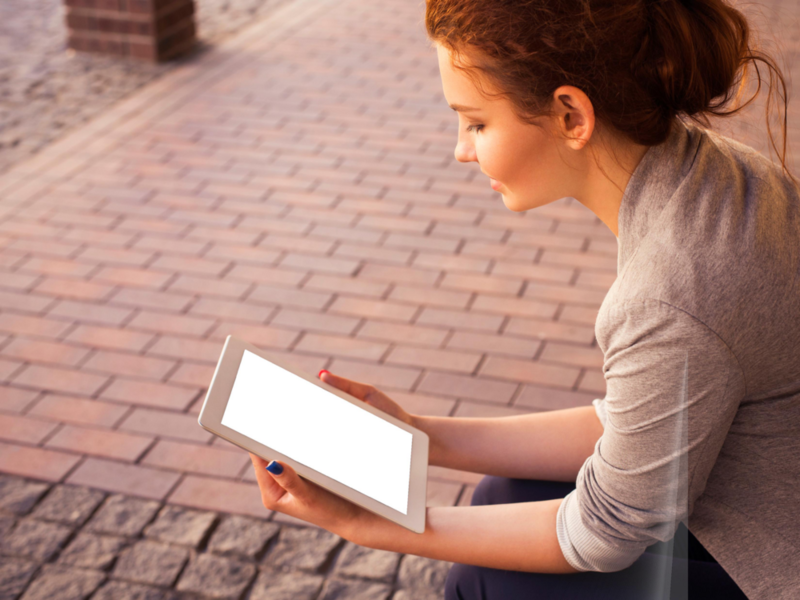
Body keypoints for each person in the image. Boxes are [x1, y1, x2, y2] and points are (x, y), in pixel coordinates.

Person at [247, 1, 800, 598]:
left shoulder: (670, 295)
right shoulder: (713, 173)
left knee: (484, 585)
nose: (462, 149)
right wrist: (418, 435)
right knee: (500, 492)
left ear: (570, 115)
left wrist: (371, 524)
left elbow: (603, 531)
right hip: (761, 507)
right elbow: (640, 419)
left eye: (476, 122)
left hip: (772, 562)